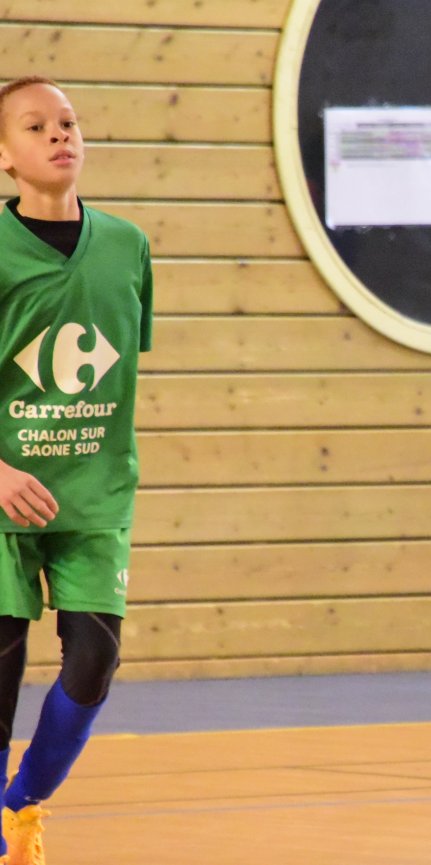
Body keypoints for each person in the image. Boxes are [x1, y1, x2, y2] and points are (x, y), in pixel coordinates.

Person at [0, 76, 153, 865]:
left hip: (93, 497)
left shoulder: (127, 247)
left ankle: (20, 802)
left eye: (68, 122)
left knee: (93, 665)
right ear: (4, 155)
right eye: (36, 126)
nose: (60, 135)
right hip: (4, 497)